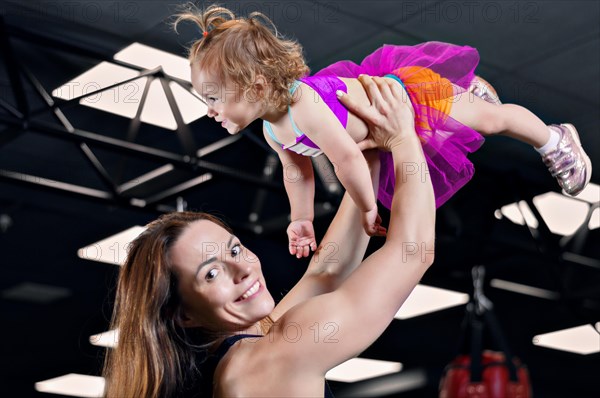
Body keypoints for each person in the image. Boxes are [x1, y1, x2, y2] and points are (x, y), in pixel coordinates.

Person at [102, 74, 435, 397]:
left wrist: (368, 155)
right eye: (212, 273)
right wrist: (402, 138)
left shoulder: (243, 356)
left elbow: (326, 274)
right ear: (184, 315)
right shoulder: (272, 358)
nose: (243, 269)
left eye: (234, 250)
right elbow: (413, 251)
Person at [175, 5, 592, 259]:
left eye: (214, 97)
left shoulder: (307, 107)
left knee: (494, 122)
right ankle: (468, 96)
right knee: (445, 133)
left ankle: (552, 138)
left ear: (258, 87)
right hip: (389, 126)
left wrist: (367, 208)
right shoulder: (272, 129)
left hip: (410, 99)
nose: (209, 109)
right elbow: (297, 173)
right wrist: (300, 219)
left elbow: (348, 160)